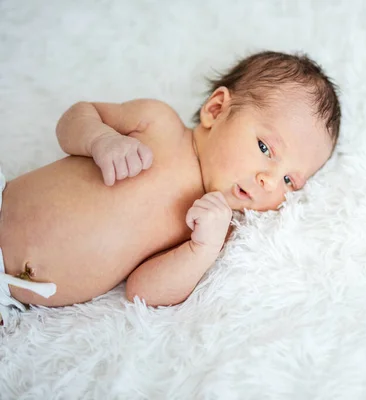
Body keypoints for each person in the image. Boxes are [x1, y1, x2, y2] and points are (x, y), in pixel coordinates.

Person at [0, 50, 341, 325]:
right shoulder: (157, 123)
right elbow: (76, 116)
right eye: (266, 148)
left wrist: (200, 251)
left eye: (288, 181)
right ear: (216, 109)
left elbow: (142, 292)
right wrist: (100, 140)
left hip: (10, 299)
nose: (270, 181)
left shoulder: (210, 229)